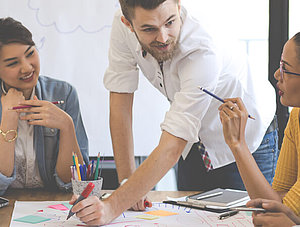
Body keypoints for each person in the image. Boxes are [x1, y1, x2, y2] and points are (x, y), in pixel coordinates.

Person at [69, 0, 276, 225]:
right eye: (149, 29)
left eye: (170, 22)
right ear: (128, 24)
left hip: (244, 139)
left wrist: (112, 207)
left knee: (251, 222)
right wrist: (128, 184)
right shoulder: (122, 27)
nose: (163, 37)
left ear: (179, 6)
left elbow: (172, 146)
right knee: (190, 220)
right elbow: (120, 99)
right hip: (194, 143)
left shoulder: (203, 48)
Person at [0, 17, 89, 195]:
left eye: (30, 53)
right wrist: (9, 118)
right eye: (12, 63)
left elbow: (74, 183)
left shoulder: (64, 93)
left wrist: (67, 126)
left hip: (49, 207)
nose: (26, 68)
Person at [218, 32, 300, 223]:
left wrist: (239, 144)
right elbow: (277, 204)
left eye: (285, 68)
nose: (277, 74)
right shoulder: (296, 116)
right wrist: (237, 145)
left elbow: (285, 214)